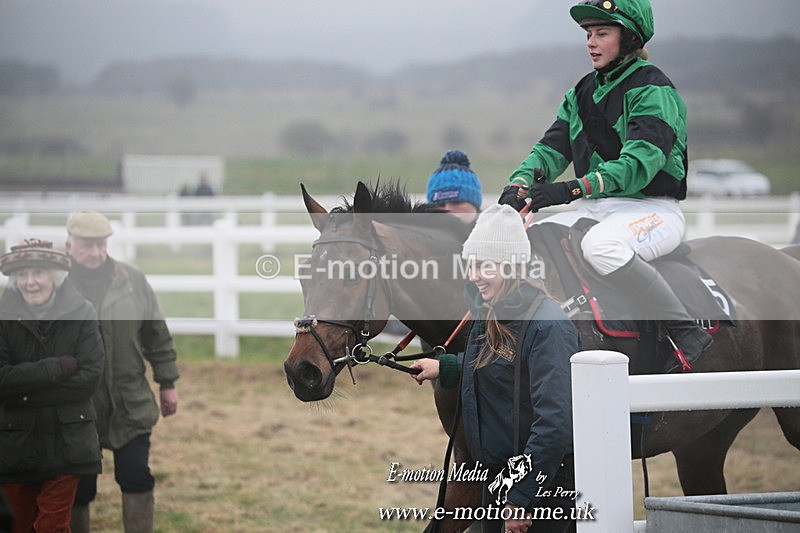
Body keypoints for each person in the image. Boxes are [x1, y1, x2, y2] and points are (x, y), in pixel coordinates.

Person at [498, 0, 711, 372]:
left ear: (627, 38)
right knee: (536, 237)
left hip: (653, 210)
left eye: (602, 33)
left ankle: (684, 329)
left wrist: (571, 189)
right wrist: (518, 184)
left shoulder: (653, 89)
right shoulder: (580, 93)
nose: (591, 43)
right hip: (599, 208)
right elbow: (550, 149)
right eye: (589, 34)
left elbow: (638, 166)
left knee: (602, 246)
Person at [411, 205, 581, 533]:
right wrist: (444, 367)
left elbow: (554, 424)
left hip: (538, 491)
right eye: (471, 264)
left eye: (485, 265)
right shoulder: (495, 312)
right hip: (500, 480)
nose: (474, 275)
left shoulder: (548, 326)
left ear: (512, 266)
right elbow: (501, 366)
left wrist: (522, 498)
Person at [64, 212, 180, 533]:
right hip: (76, 407)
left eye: (101, 244)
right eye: (87, 245)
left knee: (135, 476)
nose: (96, 252)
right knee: (80, 485)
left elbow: (157, 334)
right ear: (69, 245)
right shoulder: (56, 286)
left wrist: (167, 382)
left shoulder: (131, 281)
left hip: (130, 401)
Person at [0, 238, 105, 533]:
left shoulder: (82, 312)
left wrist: (23, 392)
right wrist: (57, 367)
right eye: (22, 275)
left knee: (52, 527)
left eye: (38, 273)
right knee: (18, 525)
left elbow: (90, 377)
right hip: (15, 443)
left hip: (69, 440)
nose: (30, 282)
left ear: (55, 277)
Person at [427, 150, 483, 222]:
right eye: (440, 205)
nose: (448, 210)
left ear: (476, 206)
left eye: (456, 202)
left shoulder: (493, 232)